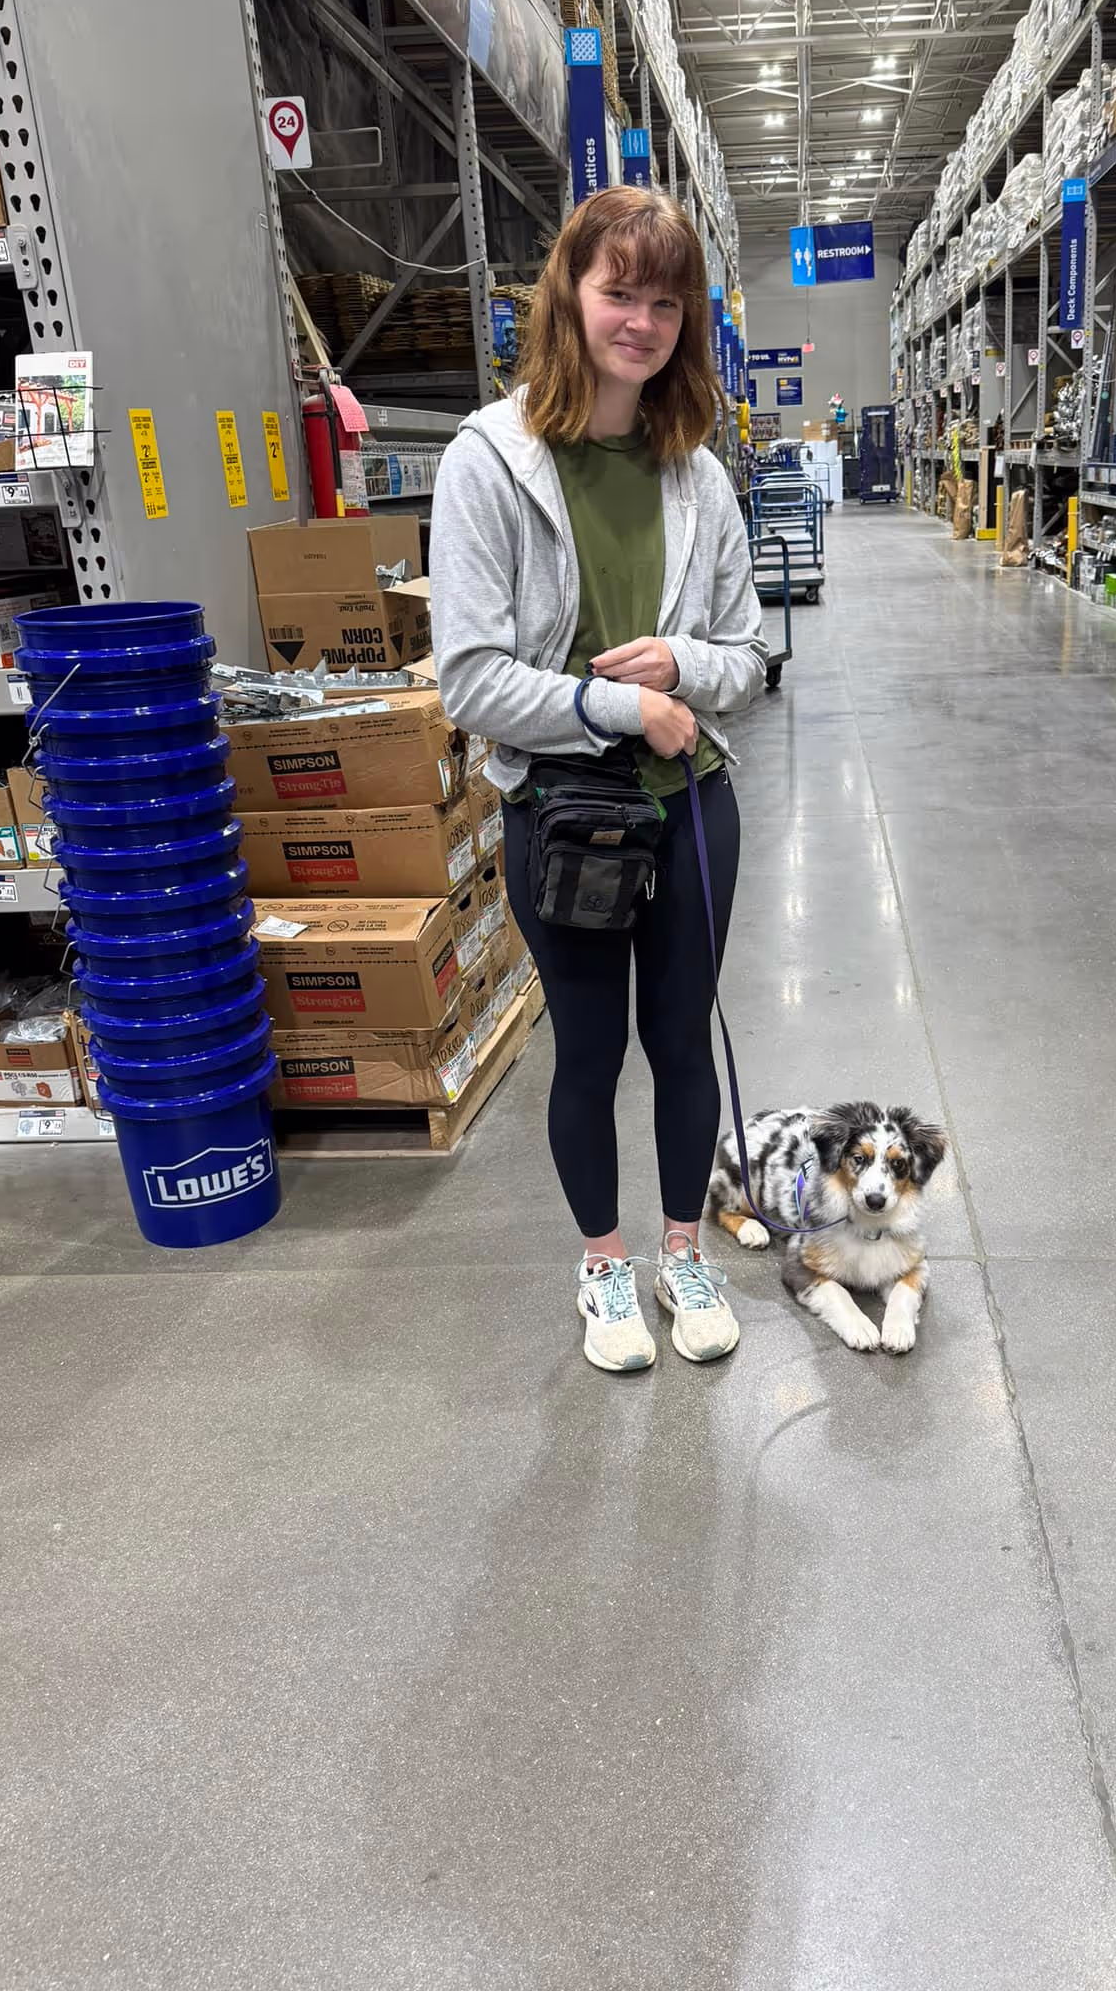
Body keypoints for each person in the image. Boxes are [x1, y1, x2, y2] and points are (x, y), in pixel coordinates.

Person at [430, 185, 768, 1375]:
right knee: (588, 1049)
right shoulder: (489, 462)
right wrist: (624, 706)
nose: (642, 322)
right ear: (568, 296)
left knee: (681, 1038)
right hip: (566, 817)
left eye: (666, 303)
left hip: (692, 809)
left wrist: (684, 663)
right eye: (619, 292)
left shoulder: (699, 475)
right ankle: (603, 1265)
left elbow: (748, 656)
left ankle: (683, 1251)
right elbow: (471, 678)